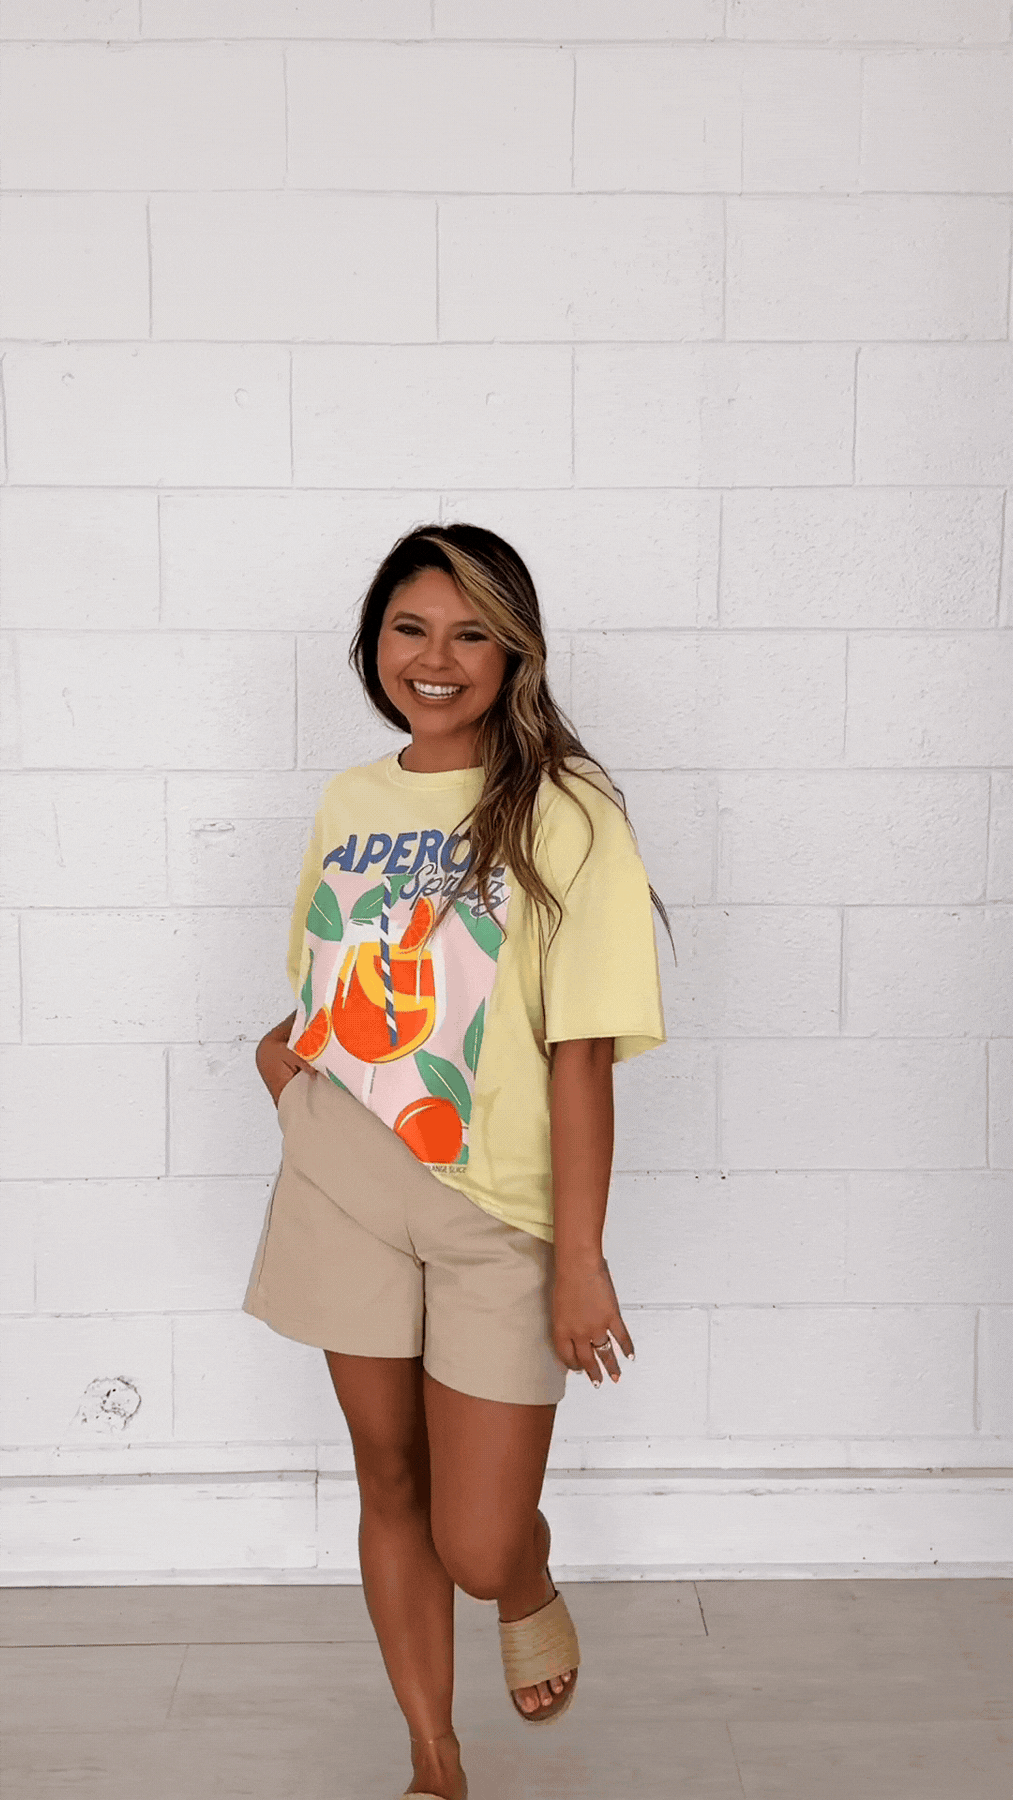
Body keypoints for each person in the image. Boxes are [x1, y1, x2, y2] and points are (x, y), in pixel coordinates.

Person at [244, 523, 673, 1800]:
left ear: (514, 651)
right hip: (343, 1179)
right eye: (410, 628)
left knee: (475, 1539)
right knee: (387, 1475)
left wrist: (579, 1259)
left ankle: (524, 1579)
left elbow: (580, 1053)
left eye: (470, 632)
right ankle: (433, 1761)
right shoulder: (350, 801)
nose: (435, 659)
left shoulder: (568, 810)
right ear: (374, 644)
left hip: (495, 1207)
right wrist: (282, 1067)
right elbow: (331, 988)